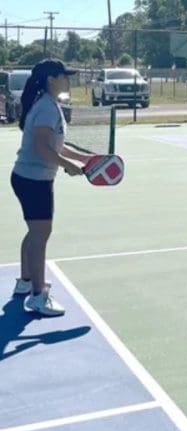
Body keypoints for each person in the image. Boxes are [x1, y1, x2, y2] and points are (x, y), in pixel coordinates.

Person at [10, 59, 85, 317]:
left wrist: (85, 159)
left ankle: (26, 281)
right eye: (64, 76)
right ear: (52, 79)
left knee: (35, 232)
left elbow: (56, 144)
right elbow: (43, 149)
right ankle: (38, 296)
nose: (68, 80)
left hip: (27, 177)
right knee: (41, 234)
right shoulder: (46, 108)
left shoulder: (48, 104)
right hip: (34, 180)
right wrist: (68, 166)